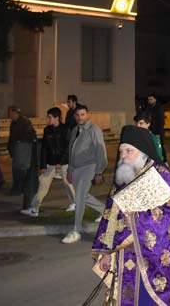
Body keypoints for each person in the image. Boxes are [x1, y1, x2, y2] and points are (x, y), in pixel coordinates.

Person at [92, 126, 170, 306]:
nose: (123, 156)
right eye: (121, 151)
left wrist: (137, 218)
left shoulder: (161, 177)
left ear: (143, 152)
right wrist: (107, 252)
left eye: (129, 151)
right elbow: (110, 217)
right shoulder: (123, 177)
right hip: (124, 257)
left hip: (153, 260)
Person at [62, 104, 107, 244]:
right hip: (76, 169)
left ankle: (76, 230)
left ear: (87, 115)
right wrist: (70, 170)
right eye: (77, 115)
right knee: (82, 196)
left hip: (89, 167)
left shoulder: (94, 130)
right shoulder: (75, 130)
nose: (80, 117)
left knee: (79, 198)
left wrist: (99, 172)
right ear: (74, 116)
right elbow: (71, 151)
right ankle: (106, 211)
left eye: (83, 114)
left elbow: (101, 151)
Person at [21, 107, 76, 217]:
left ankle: (75, 203)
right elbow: (44, 149)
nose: (47, 119)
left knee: (68, 184)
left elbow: (68, 148)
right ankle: (34, 208)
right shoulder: (47, 130)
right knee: (43, 184)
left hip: (63, 164)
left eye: (50, 117)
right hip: (50, 163)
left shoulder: (66, 129)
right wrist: (43, 165)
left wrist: (61, 161)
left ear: (57, 118)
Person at [7, 106, 36, 197]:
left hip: (22, 149)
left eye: (10, 113)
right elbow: (11, 137)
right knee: (17, 169)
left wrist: (19, 142)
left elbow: (29, 135)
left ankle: (19, 188)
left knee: (20, 169)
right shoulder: (14, 123)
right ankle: (18, 187)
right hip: (17, 149)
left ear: (15, 113)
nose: (9, 115)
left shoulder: (24, 122)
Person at [144, 94, 167, 162]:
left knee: (160, 146)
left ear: (155, 100)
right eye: (148, 99)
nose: (149, 101)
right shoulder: (147, 108)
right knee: (150, 146)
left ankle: (164, 161)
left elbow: (161, 121)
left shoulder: (159, 108)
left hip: (157, 131)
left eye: (151, 99)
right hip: (149, 130)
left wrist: (158, 133)